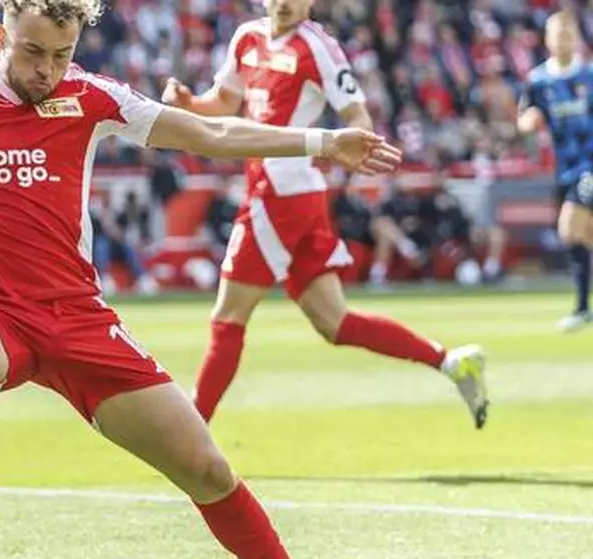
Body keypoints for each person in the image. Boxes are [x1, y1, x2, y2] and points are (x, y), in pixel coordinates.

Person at [0, 1, 400, 559]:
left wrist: (323, 140)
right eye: (32, 52)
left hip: (79, 317)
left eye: (61, 55)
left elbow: (211, 133)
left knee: (205, 467)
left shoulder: (91, 97)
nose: (47, 71)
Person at [161, 0, 488, 428]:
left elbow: (355, 110)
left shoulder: (317, 46)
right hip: (291, 196)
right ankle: (449, 362)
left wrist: (361, 140)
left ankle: (190, 435)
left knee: (227, 317)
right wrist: (189, 102)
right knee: (335, 323)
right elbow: (224, 101)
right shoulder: (247, 38)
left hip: (281, 196)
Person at [518, 10, 593, 332]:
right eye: (557, 35)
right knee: (585, 236)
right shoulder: (538, 80)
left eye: (567, 35)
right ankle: (583, 306)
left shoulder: (589, 77)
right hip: (563, 170)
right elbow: (524, 117)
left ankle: (580, 307)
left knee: (569, 229)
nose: (562, 40)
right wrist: (529, 123)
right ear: (547, 40)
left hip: (589, 165)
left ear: (575, 39)